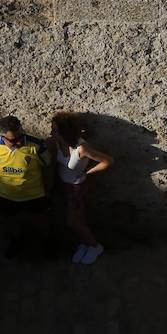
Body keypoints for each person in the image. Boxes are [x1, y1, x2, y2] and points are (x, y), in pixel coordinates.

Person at [0, 116, 51, 258]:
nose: (18, 142)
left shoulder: (37, 146)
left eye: (20, 137)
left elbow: (49, 167)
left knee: (41, 222)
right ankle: (15, 243)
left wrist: (49, 189)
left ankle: (46, 246)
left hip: (34, 195)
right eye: (13, 140)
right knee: (10, 223)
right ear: (2, 136)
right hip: (5, 195)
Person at [50, 112, 113, 266]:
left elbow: (108, 161)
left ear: (65, 132)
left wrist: (87, 172)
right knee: (78, 219)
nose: (52, 133)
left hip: (76, 188)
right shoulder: (58, 142)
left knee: (73, 222)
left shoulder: (81, 148)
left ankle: (95, 246)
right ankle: (85, 243)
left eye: (55, 130)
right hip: (65, 186)